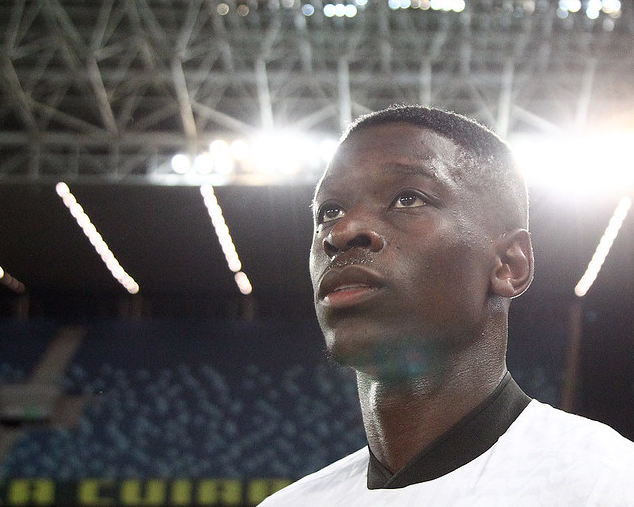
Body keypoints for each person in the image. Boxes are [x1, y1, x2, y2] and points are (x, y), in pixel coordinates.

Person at [259, 105, 634, 505]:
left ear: (509, 264)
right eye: (329, 212)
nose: (342, 231)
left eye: (407, 198)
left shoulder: (605, 484)